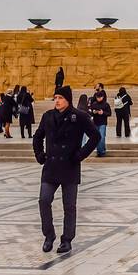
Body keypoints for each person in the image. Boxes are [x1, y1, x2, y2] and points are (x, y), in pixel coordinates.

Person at [30, 85, 101, 253]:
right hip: (51, 167)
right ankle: (49, 235)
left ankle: (67, 239)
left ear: (67, 100)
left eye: (60, 98)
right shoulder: (48, 116)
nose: (57, 101)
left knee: (69, 206)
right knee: (44, 200)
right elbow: (38, 136)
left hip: (69, 166)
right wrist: (39, 154)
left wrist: (80, 155)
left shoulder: (79, 116)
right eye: (55, 98)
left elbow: (95, 136)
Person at [89, 85, 111, 155]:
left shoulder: (106, 104)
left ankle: (101, 151)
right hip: (95, 122)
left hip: (103, 123)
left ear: (103, 97)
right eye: (97, 97)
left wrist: (103, 113)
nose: (98, 98)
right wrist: (93, 112)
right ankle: (100, 151)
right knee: (97, 137)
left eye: (100, 97)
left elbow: (109, 113)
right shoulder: (94, 104)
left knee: (101, 137)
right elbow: (90, 112)